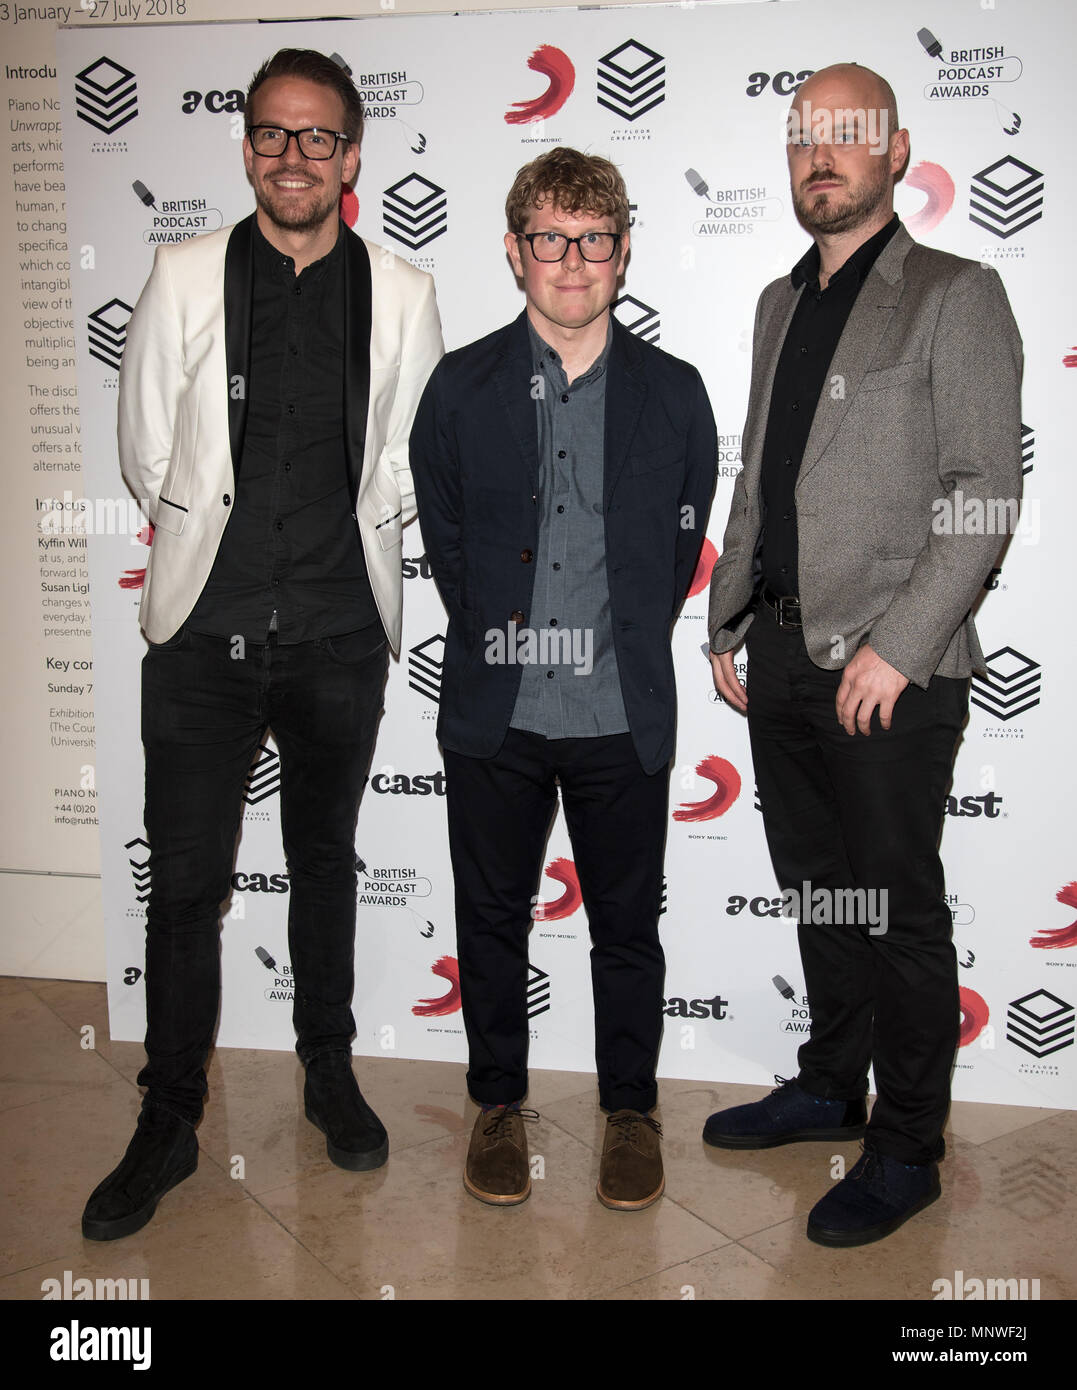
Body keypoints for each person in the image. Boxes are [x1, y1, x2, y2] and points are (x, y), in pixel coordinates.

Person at [82, 47, 443, 1241]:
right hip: (202, 637)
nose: (296, 156)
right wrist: (206, 551)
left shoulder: (403, 290)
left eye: (319, 137)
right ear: (247, 149)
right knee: (184, 887)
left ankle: (327, 1071)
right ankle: (169, 1113)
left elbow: (405, 457)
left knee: (325, 865)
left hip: (341, 633)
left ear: (353, 154)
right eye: (274, 135)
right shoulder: (183, 272)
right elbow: (147, 450)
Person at [704, 63, 1022, 1246]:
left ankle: (908, 1145)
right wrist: (730, 612)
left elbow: (986, 493)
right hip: (783, 659)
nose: (819, 155)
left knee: (897, 912)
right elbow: (761, 476)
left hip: (894, 668)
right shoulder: (779, 304)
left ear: (895, 148)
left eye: (845, 135)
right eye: (802, 137)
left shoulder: (956, 293)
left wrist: (901, 643)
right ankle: (832, 1082)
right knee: (823, 895)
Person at [411, 147, 716, 1211]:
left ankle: (629, 1110)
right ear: (514, 252)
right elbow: (449, 549)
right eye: (551, 237)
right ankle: (496, 1104)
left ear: (623, 253)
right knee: (492, 921)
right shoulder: (459, 388)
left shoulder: (675, 396)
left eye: (594, 239)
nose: (573, 259)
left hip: (620, 712)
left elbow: (677, 555)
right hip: (497, 712)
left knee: (627, 928)